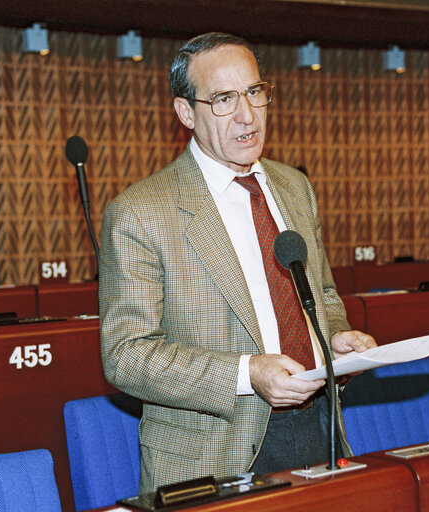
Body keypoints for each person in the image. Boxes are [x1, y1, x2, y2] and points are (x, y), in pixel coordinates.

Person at [99, 32, 376, 493]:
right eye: (224, 99)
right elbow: (126, 356)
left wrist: (335, 338)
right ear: (186, 112)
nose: (247, 116)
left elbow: (321, 295)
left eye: (254, 93)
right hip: (214, 451)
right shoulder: (141, 212)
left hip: (320, 429)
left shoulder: (294, 187)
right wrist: (247, 373)